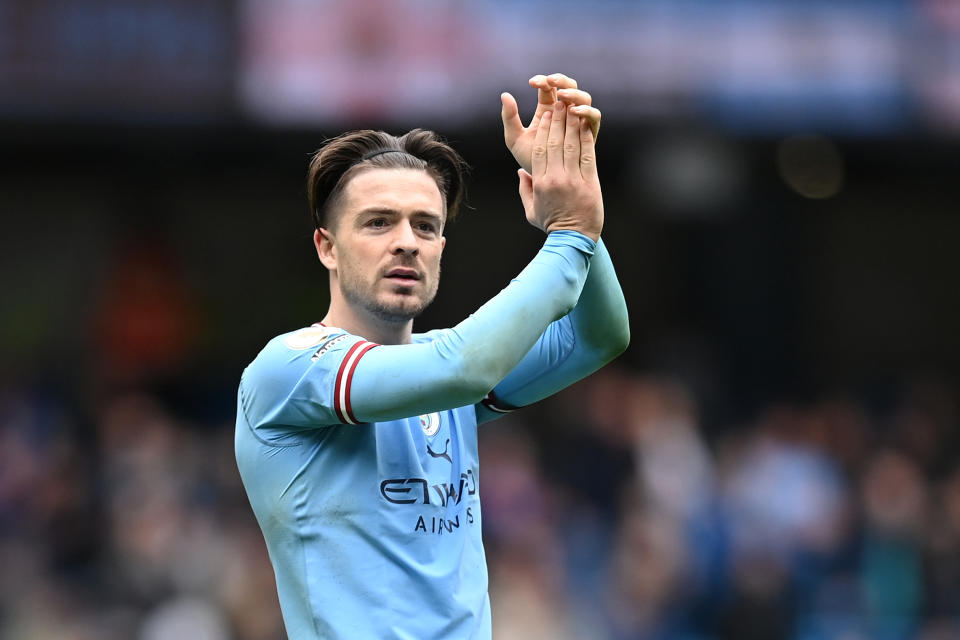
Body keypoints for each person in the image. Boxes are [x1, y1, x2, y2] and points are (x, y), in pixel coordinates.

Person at [235, 73, 629, 639]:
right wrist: (569, 236)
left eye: (426, 225)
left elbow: (596, 337)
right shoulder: (292, 367)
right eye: (378, 222)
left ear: (441, 246)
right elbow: (462, 367)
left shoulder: (448, 383)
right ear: (327, 247)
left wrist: (581, 217)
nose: (406, 241)